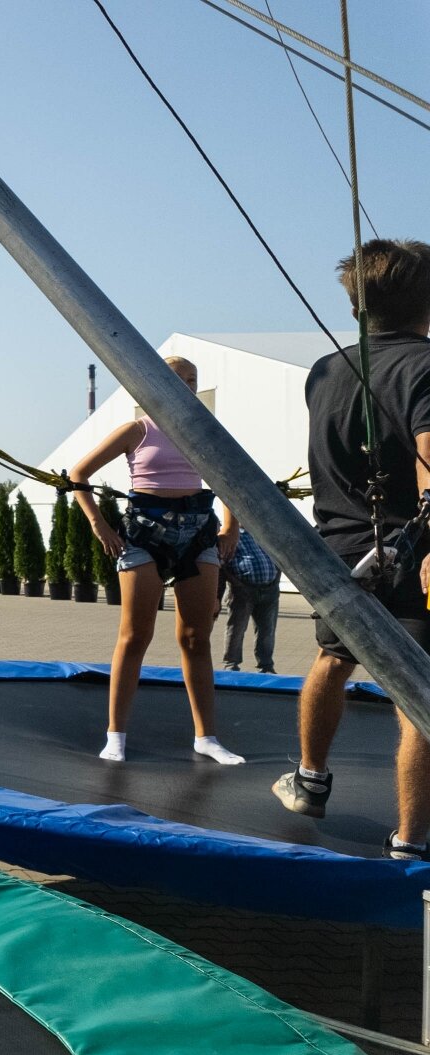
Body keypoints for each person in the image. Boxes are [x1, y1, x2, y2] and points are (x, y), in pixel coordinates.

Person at [275, 238, 430, 861]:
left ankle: (310, 779)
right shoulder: (425, 366)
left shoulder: (325, 371)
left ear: (356, 307)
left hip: (339, 556)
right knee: (418, 695)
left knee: (332, 660)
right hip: (413, 554)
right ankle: (412, 840)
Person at [69, 357, 245, 765]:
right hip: (145, 536)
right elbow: (79, 474)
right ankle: (116, 735)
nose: (186, 386)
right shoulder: (138, 430)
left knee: (196, 638)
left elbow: (232, 479)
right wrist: (99, 525)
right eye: (177, 379)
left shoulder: (207, 431)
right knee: (135, 635)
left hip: (197, 533)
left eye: (192, 380)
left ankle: (206, 737)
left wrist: (231, 527)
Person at [220, 528, 281, 674]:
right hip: (243, 591)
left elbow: (276, 555)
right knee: (236, 629)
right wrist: (237, 583)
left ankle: (266, 665)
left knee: (267, 630)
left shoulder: (260, 533)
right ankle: (231, 665)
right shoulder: (229, 536)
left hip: (269, 589)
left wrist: (276, 577)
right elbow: (222, 564)